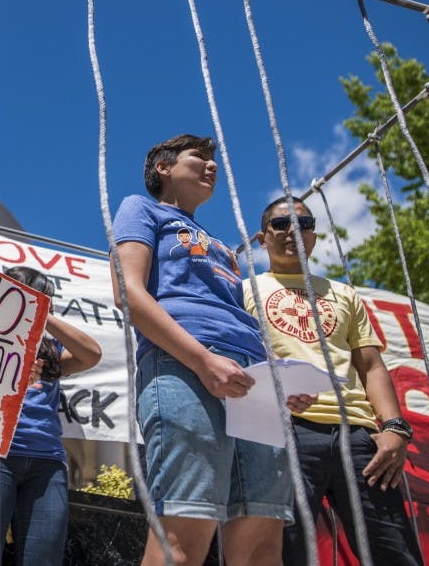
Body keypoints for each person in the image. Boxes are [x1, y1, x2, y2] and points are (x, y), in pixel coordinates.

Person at [112, 134, 312, 566]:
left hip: (253, 379)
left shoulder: (223, 246)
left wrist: (277, 382)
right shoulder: (140, 208)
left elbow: (240, 320)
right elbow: (127, 292)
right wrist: (203, 360)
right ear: (163, 167)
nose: (211, 166)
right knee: (184, 535)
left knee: (263, 543)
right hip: (184, 364)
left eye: (214, 160)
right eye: (198, 157)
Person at [245, 195, 422, 565]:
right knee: (285, 551)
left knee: (394, 551)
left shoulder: (344, 293)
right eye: (281, 224)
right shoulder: (243, 290)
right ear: (262, 238)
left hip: (356, 436)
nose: (293, 230)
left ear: (314, 237)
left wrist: (394, 428)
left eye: (304, 224)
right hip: (280, 431)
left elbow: (371, 365)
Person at [0, 266, 102, 565]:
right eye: (34, 296)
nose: (40, 303)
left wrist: (41, 313)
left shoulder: (49, 350)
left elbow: (92, 354)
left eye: (47, 299)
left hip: (47, 463)